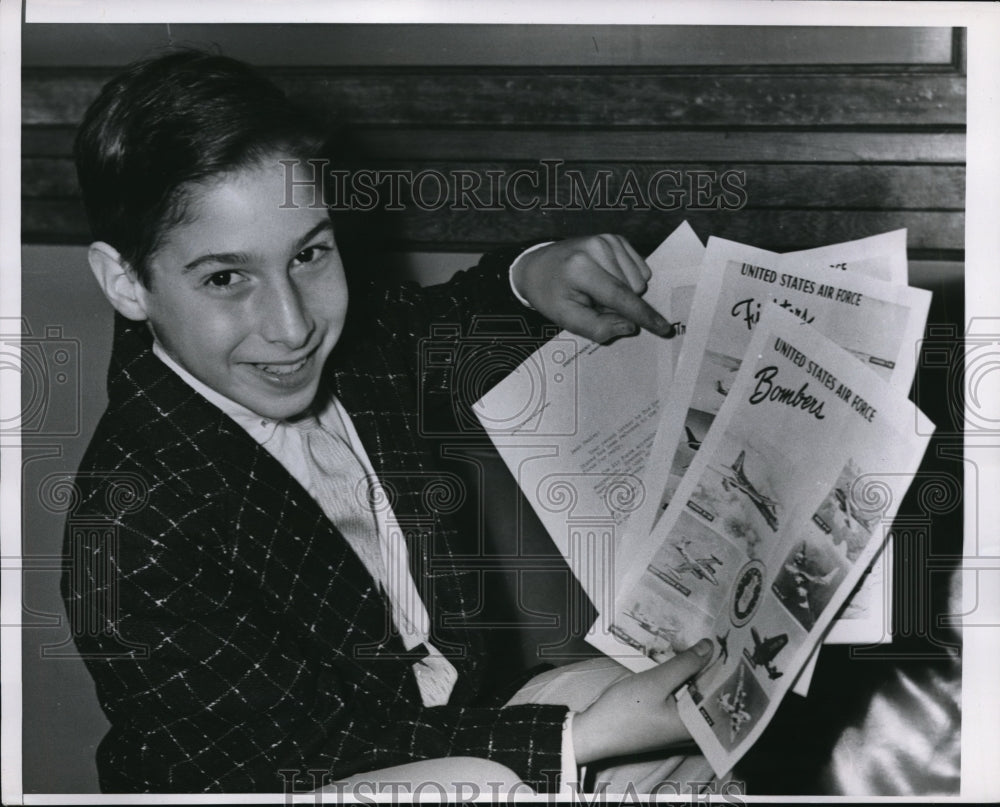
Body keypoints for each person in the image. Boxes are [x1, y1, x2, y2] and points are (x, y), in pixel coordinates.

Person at [63, 48, 714, 795]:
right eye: (225, 277)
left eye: (309, 253)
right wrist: (580, 737)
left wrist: (533, 273)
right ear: (125, 281)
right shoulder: (127, 524)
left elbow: (444, 317)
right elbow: (291, 757)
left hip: (442, 730)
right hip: (298, 780)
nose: (292, 325)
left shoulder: (354, 340)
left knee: (698, 703)